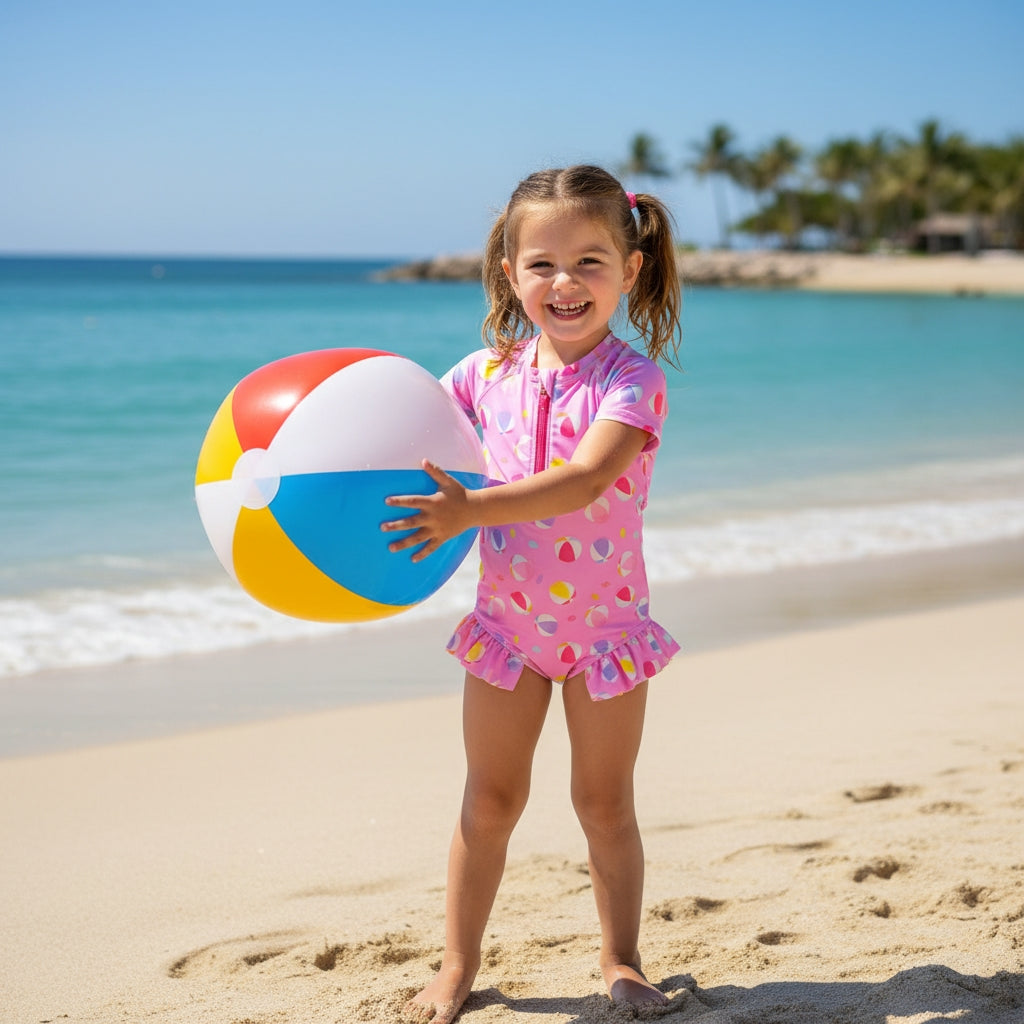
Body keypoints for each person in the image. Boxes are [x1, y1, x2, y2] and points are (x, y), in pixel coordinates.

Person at [381, 164, 682, 1024]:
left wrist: (470, 508)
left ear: (630, 269)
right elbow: (407, 448)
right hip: (506, 630)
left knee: (603, 803)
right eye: (542, 263)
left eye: (590, 261)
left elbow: (584, 480)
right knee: (489, 800)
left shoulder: (633, 381)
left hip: (605, 634)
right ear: (509, 274)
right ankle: (456, 966)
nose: (565, 282)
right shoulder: (479, 376)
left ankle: (621, 959)